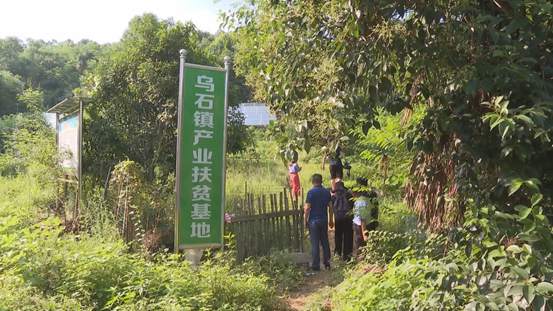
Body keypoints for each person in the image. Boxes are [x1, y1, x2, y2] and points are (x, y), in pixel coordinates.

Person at [304, 173, 334, 271]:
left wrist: (305, 220)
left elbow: (307, 208)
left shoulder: (311, 193)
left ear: (313, 181)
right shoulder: (326, 192)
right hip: (323, 220)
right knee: (324, 240)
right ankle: (327, 262)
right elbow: (330, 207)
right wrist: (330, 220)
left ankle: (316, 265)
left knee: (315, 242)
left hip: (313, 221)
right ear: (321, 181)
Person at [352, 177, 379, 255]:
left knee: (361, 246)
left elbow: (362, 219)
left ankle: (362, 262)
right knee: (369, 244)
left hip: (361, 226)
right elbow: (376, 210)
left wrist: (364, 234)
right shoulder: (373, 195)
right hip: (371, 222)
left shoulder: (362, 200)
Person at [331, 181, 353, 261]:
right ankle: (347, 256)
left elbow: (332, 208)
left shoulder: (334, 197)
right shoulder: (349, 195)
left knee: (338, 236)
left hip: (338, 218)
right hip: (348, 218)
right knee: (348, 236)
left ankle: (338, 254)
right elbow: (352, 206)